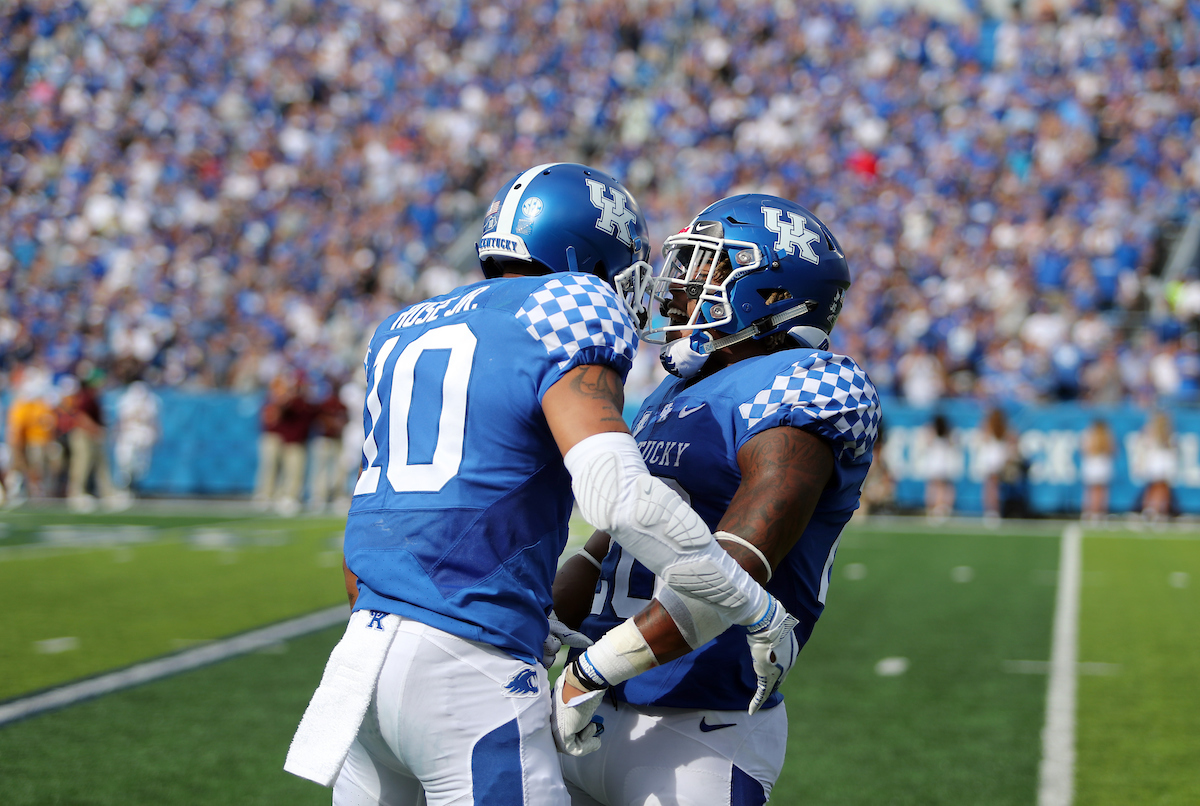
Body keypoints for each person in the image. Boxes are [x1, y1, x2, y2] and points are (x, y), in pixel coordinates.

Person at [284, 164, 800, 806]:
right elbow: (619, 496)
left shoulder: (403, 326)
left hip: (360, 657)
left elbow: (378, 527)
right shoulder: (571, 304)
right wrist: (752, 605)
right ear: (586, 254)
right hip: (462, 670)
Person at [551, 193, 880, 805]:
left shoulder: (807, 382)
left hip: (695, 733)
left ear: (774, 292)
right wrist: (543, 631)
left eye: (705, 267)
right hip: (592, 704)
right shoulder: (674, 390)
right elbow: (604, 552)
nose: (678, 285)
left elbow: (734, 569)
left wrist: (591, 670)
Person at [923, 413, 957, 522]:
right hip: (940, 465)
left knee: (935, 488)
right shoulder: (945, 436)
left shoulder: (937, 436)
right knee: (939, 488)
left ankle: (936, 509)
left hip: (936, 465)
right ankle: (937, 509)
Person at [1079, 418, 1115, 522]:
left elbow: (1083, 450)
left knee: (1091, 492)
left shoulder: (1088, 434)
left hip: (1092, 466)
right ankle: (1098, 513)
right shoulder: (1106, 435)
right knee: (1100, 492)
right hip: (1102, 465)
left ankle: (1089, 513)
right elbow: (1112, 450)